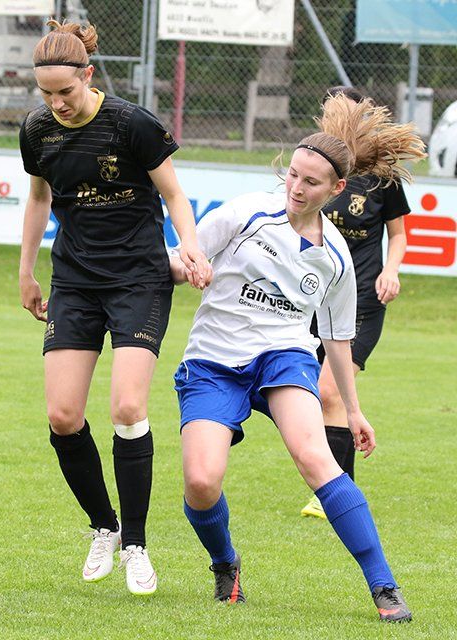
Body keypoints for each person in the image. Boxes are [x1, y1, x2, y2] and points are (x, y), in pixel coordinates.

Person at [171, 93, 425, 622]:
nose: (296, 187)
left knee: (316, 457)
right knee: (201, 481)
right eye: (292, 175)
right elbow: (178, 260)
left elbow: (337, 339)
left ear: (336, 190)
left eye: (311, 182)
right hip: (214, 361)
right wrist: (189, 266)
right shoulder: (245, 212)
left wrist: (353, 410)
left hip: (284, 357)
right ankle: (225, 562)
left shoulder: (336, 257)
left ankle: (384, 585)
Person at [18, 19, 211, 596]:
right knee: (62, 416)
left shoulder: (131, 123)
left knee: (128, 407)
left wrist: (191, 247)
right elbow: (38, 199)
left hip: (138, 280)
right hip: (75, 282)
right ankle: (103, 526)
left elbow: (174, 193)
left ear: (88, 75)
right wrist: (26, 270)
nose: (57, 104)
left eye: (65, 92)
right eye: (46, 94)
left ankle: (135, 545)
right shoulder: (37, 130)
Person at [301, 86, 412, 520]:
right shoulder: (315, 170)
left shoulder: (384, 179)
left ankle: (332, 492)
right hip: (314, 299)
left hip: (362, 301)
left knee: (329, 390)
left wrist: (391, 270)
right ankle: (336, 487)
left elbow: (398, 236)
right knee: (311, 394)